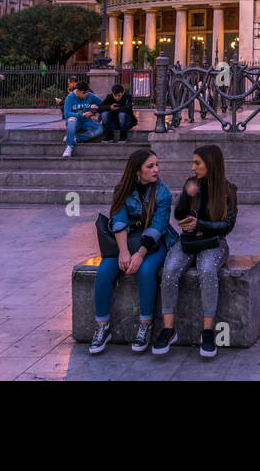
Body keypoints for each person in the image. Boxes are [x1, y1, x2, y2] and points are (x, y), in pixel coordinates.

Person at [155, 145, 238, 360]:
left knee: (207, 269)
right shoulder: (191, 184)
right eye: (193, 162)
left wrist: (200, 224)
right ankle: (168, 329)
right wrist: (186, 197)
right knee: (170, 270)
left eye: (197, 163)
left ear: (210, 165)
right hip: (189, 241)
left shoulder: (227, 190)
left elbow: (228, 225)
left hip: (213, 243)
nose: (193, 167)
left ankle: (208, 331)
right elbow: (179, 214)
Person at [90, 149, 177, 354]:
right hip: (126, 242)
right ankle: (103, 327)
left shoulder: (162, 193)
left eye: (157, 165)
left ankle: (145, 325)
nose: (156, 169)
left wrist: (139, 254)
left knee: (146, 270)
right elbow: (118, 220)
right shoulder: (122, 188)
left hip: (154, 243)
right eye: (150, 166)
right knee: (104, 271)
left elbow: (158, 226)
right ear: (137, 170)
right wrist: (123, 252)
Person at [62, 81, 105, 157]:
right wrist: (82, 115)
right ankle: (69, 147)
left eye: (87, 92)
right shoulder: (70, 97)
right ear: (78, 91)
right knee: (72, 120)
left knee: (100, 128)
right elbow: (66, 114)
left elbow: (103, 104)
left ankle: (75, 138)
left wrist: (96, 113)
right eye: (84, 92)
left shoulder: (90, 96)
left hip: (87, 122)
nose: (86, 94)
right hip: (75, 122)